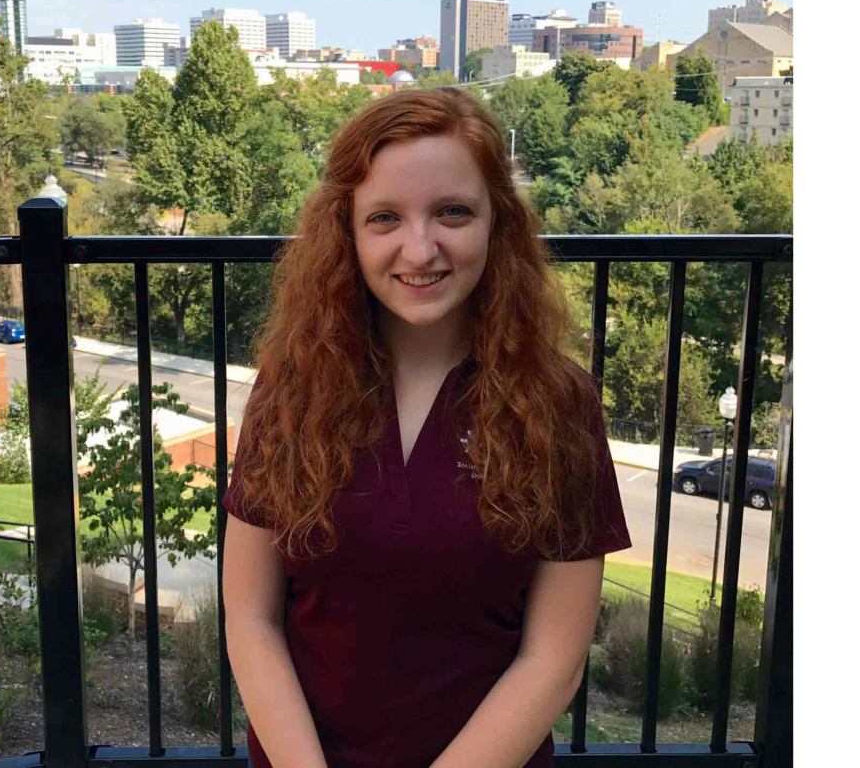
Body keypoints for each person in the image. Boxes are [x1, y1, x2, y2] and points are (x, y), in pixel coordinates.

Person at [222, 87, 631, 768]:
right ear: (346, 231)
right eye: (384, 217)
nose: (420, 248)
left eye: (452, 212)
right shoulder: (290, 388)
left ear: (497, 222)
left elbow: (552, 660)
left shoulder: (559, 402)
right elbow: (251, 618)